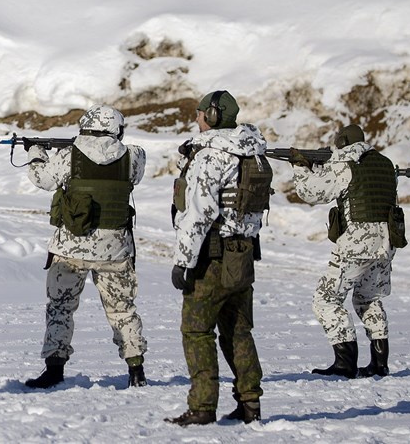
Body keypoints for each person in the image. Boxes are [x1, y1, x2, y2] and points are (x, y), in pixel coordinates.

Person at [22, 105, 149, 390]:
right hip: (115, 250)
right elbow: (131, 173)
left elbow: (42, 179)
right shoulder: (134, 156)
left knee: (60, 308)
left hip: (71, 250)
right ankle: (136, 369)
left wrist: (35, 153)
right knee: (123, 310)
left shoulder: (67, 156)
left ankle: (54, 370)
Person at [167, 91, 269, 426]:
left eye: (200, 113)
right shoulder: (254, 154)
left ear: (212, 116)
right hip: (243, 254)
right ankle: (250, 403)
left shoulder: (212, 156)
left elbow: (199, 212)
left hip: (211, 256)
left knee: (196, 330)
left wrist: (183, 260)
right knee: (238, 332)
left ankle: (202, 407)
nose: (196, 118)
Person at [290, 124, 398, 378]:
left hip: (357, 243)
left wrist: (301, 167)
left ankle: (345, 363)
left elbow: (312, 192)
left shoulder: (345, 164)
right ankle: (379, 363)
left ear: (341, 142)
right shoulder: (385, 164)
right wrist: (321, 167)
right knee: (368, 298)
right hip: (386, 243)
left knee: (326, 299)